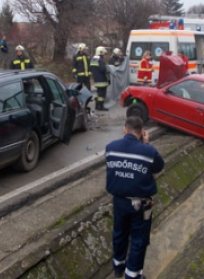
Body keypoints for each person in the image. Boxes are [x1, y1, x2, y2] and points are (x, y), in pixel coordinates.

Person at [106, 116, 165, 279]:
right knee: (139, 239)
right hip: (140, 204)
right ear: (141, 132)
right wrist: (146, 144)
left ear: (125, 129)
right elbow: (158, 167)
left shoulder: (110, 148)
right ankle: (132, 275)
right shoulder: (148, 151)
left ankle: (118, 266)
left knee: (119, 233)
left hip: (119, 201)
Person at [90, 46, 109, 111]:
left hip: (96, 80)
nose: (104, 55)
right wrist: (107, 69)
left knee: (97, 93)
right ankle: (101, 106)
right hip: (102, 80)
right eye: (104, 54)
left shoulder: (93, 59)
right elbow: (103, 69)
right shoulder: (101, 60)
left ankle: (97, 106)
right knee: (102, 94)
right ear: (101, 53)